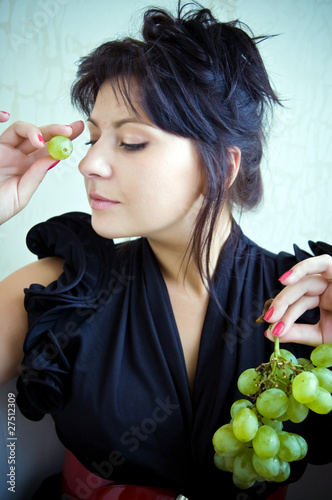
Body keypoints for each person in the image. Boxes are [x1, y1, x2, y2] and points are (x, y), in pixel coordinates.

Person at [0, 2, 331, 500]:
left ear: (222, 164)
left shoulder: (309, 305)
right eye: (91, 138)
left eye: (130, 141)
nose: (88, 163)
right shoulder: (55, 290)